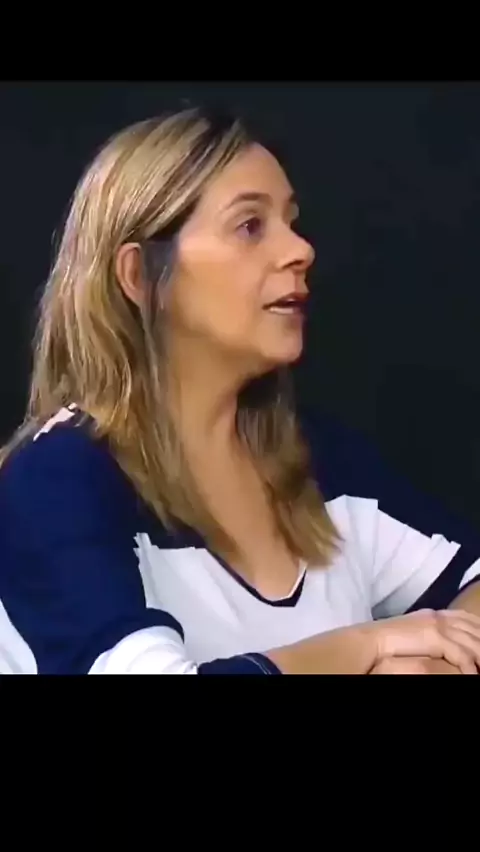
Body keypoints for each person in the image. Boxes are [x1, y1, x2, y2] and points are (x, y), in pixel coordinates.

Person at [1, 106, 480, 676]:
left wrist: (430, 666)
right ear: (140, 276)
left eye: (292, 222)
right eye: (250, 226)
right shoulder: (55, 481)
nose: (300, 250)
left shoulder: (319, 461)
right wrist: (365, 649)